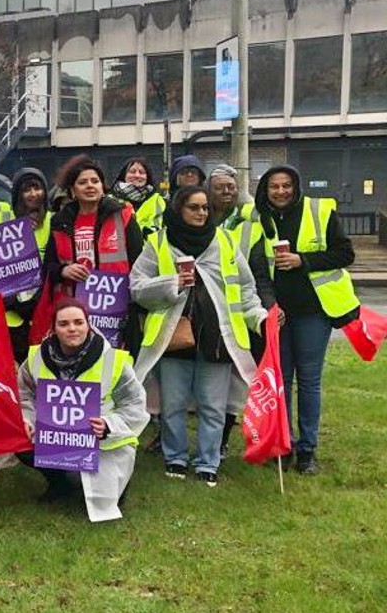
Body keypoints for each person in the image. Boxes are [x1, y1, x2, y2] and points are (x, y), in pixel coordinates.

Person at [130, 186, 269, 486]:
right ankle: (175, 457)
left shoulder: (226, 242)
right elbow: (136, 287)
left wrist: (260, 319)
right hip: (173, 338)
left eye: (205, 207)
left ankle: (209, 461)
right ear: (179, 209)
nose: (201, 213)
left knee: (212, 405)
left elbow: (245, 289)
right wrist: (173, 283)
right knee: (174, 404)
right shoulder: (158, 243)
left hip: (217, 338)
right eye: (193, 207)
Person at [255, 165, 358, 474]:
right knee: (281, 383)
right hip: (278, 314)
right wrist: (269, 306)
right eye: (274, 186)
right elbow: (255, 267)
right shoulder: (257, 219)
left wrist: (304, 260)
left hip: (313, 312)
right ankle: (283, 446)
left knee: (309, 382)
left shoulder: (320, 211)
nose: (281, 191)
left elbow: (345, 254)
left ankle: (307, 451)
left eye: (287, 185)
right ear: (266, 189)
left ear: (296, 187)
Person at [16, 298, 148, 522]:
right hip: (57, 437)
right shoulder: (36, 358)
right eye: (64, 324)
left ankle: (117, 485)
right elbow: (24, 395)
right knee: (21, 443)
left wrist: (109, 425)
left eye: (78, 322)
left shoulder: (112, 360)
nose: (72, 329)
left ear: (88, 324)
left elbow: (135, 404)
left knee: (103, 496)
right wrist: (27, 420)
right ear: (53, 328)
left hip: (102, 441)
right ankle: (59, 484)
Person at [42, 155, 144, 347]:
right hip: (73, 313)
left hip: (115, 310)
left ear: (102, 187)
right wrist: (64, 271)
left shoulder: (123, 216)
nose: (90, 186)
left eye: (95, 181)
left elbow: (139, 261)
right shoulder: (60, 222)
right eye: (82, 182)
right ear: (72, 190)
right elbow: (49, 266)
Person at [209, 163, 276, 456]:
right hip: (207, 314)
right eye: (221, 187)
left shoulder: (252, 220)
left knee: (236, 383)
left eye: (232, 187)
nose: (228, 191)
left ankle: (223, 438)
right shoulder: (199, 216)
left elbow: (260, 271)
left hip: (240, 315)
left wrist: (266, 309)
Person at [4, 167, 53, 362]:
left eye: (37, 188)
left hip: (43, 307)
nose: (33, 194)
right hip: (12, 312)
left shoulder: (54, 220)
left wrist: (36, 300)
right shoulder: (6, 221)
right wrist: (12, 301)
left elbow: (55, 265)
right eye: (26, 189)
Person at [111, 156, 165, 236]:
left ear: (147, 177)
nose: (137, 175)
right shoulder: (111, 199)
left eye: (141, 172)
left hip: (149, 247)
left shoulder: (159, 201)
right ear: (124, 175)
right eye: (132, 171)